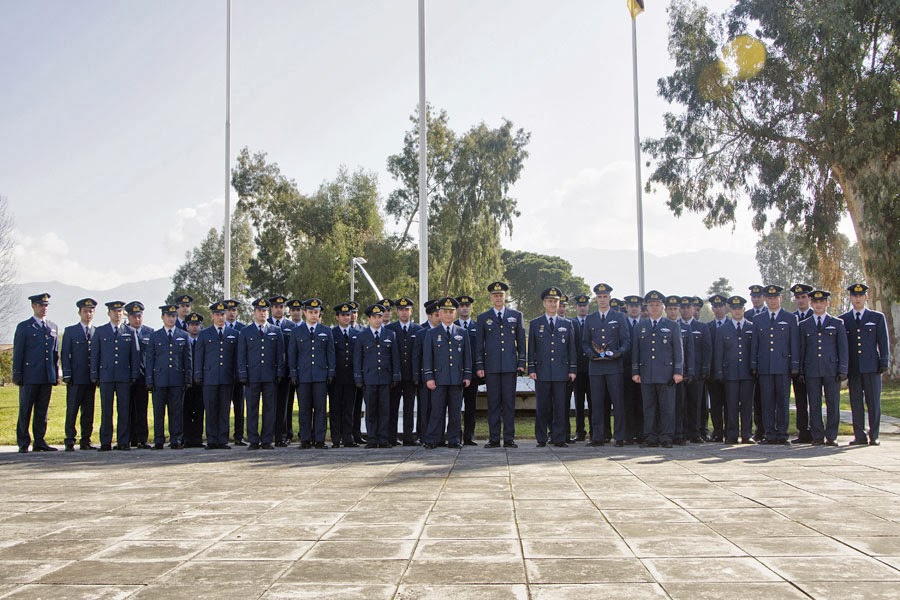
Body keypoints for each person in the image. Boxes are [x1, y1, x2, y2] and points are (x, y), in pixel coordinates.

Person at [476, 281, 526, 448]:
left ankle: (509, 438)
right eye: (495, 295)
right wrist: (480, 366)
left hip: (510, 366)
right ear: (491, 297)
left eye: (501, 295)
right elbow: (479, 344)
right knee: (493, 403)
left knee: (509, 403)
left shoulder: (516, 315)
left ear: (505, 297)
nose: (498, 298)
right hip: (491, 368)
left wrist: (521, 362)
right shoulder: (483, 318)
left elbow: (521, 341)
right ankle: (494, 439)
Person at [631, 290, 684, 448]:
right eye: (651, 305)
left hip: (666, 375)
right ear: (646, 307)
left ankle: (666, 437)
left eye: (657, 305)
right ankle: (650, 437)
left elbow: (678, 351)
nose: (654, 308)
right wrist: (635, 371)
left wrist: (678, 371)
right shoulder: (641, 327)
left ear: (663, 307)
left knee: (667, 408)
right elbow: (636, 351)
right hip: (647, 374)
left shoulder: (672, 326)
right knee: (649, 408)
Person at [840, 283, 891, 446]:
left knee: (873, 402)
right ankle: (859, 435)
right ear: (851, 298)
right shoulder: (844, 319)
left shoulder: (877, 317)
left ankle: (874, 435)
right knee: (856, 403)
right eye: (854, 296)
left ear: (866, 297)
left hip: (872, 367)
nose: (857, 299)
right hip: (854, 368)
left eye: (860, 296)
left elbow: (883, 341)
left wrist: (884, 361)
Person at [750, 285, 800, 445]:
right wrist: (754, 364)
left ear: (781, 299)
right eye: (769, 298)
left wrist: (794, 365)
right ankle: (769, 433)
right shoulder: (758, 319)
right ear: (765, 299)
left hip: (783, 366)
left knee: (783, 401)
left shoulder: (790, 318)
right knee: (767, 401)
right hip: (765, 366)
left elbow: (794, 343)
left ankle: (782, 433)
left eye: (775, 298)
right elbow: (755, 344)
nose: (772, 301)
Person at [582, 283, 630, 447]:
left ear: (609, 298)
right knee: (596, 403)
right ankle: (598, 436)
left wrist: (619, 352)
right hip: (595, 367)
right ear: (596, 299)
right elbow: (585, 343)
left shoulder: (619, 317)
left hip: (614, 366)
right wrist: (591, 354)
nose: (602, 300)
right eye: (599, 297)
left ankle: (619, 436)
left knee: (617, 402)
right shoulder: (590, 318)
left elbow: (626, 341)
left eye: (605, 297)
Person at [528, 287, 577, 448]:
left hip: (561, 371)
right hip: (542, 372)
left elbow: (571, 349)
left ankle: (559, 438)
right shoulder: (536, 323)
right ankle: (541, 438)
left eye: (555, 301)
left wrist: (572, 369)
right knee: (543, 406)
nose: (552, 304)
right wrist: (532, 369)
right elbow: (532, 349)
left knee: (561, 406)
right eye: (549, 301)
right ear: (544, 303)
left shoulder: (567, 323)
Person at [422, 297, 473, 449]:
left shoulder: (462, 332)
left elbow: (467, 356)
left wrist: (467, 375)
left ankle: (454, 439)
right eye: (445, 312)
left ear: (455, 313)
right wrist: (429, 377)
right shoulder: (432, 333)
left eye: (451, 312)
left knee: (455, 411)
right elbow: (427, 357)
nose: (448, 315)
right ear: (440, 313)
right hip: (438, 379)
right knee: (437, 411)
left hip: (456, 379)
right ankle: (433, 440)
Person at [799, 290, 848, 447]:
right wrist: (800, 370)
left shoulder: (837, 323)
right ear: (811, 304)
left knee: (833, 403)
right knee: (814, 404)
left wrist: (843, 369)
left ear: (827, 303)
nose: (819, 305)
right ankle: (817, 436)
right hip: (812, 369)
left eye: (822, 302)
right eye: (816, 302)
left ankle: (832, 436)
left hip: (831, 369)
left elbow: (843, 348)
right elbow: (802, 349)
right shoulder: (804, 325)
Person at [237, 298, 286, 450]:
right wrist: (243, 374)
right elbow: (241, 355)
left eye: (265, 310)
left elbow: (280, 354)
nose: (262, 313)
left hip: (269, 376)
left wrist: (279, 372)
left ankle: (266, 440)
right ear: (254, 312)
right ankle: (253, 439)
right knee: (252, 408)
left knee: (269, 409)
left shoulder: (275, 331)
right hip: (252, 376)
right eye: (260, 310)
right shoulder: (246, 331)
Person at [91, 300, 140, 451]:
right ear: (109, 313)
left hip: (123, 376)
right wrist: (95, 374)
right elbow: (95, 354)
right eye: (114, 311)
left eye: (120, 312)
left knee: (123, 409)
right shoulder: (100, 331)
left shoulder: (129, 331)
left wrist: (133, 374)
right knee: (106, 410)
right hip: (106, 376)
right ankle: (105, 441)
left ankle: (123, 441)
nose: (117, 314)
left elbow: (135, 355)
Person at [13, 293, 59, 453]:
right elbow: (18, 352)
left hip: (46, 375)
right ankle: (23, 441)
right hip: (30, 375)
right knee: (25, 409)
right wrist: (17, 374)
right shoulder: (25, 327)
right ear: (33, 306)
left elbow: (54, 353)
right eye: (41, 305)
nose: (44, 308)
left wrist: (54, 374)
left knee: (42, 410)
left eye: (46, 305)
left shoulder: (52, 327)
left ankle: (39, 440)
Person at [289, 298, 336, 449]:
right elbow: (292, 354)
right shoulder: (296, 332)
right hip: (303, 376)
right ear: (304, 313)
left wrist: (330, 372)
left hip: (320, 376)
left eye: (316, 312)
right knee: (304, 408)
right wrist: (293, 373)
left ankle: (320, 439)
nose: (313, 315)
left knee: (321, 409)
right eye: (310, 312)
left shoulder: (326, 331)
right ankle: (305, 439)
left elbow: (331, 354)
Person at [353, 303, 401, 448]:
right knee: (371, 410)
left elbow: (395, 358)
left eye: (380, 316)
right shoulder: (362, 336)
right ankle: (372, 438)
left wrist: (395, 376)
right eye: (374, 317)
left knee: (385, 410)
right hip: (369, 379)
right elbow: (358, 359)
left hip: (385, 378)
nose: (377, 320)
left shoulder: (390, 334)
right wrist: (358, 377)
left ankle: (383, 438)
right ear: (369, 319)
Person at [145, 304, 192, 449]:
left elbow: (187, 359)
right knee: (159, 411)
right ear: (162, 317)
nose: (171, 319)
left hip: (177, 379)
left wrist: (188, 379)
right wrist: (149, 379)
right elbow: (150, 359)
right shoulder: (155, 336)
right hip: (159, 379)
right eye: (168, 316)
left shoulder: (183, 335)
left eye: (173, 316)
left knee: (176, 411)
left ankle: (176, 439)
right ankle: (159, 439)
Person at [194, 301, 238, 449]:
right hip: (210, 378)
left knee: (224, 409)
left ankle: (223, 439)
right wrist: (198, 375)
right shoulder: (204, 334)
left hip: (226, 377)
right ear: (212, 316)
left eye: (223, 314)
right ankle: (212, 440)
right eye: (218, 314)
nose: (221, 317)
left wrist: (236, 375)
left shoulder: (234, 334)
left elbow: (236, 357)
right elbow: (199, 356)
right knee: (211, 409)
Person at [713, 296, 756, 444]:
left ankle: (746, 434)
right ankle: (731, 434)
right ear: (730, 310)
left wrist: (754, 368)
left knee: (746, 405)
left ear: (744, 309)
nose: (737, 311)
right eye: (734, 309)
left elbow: (754, 350)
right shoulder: (723, 329)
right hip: (730, 373)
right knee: (730, 405)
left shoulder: (751, 327)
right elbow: (718, 352)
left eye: (740, 309)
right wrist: (719, 371)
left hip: (747, 373)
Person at [386, 297, 423, 446]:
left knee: (409, 407)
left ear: (411, 311)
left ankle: (408, 437)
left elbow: (418, 354)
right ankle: (392, 437)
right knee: (393, 407)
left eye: (406, 309)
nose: (404, 312)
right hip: (395, 375)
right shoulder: (390, 330)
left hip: (410, 376)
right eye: (401, 310)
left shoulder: (418, 330)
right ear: (397, 311)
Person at [61, 298, 97, 451]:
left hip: (91, 378)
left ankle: (86, 439)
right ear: (79, 312)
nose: (88, 314)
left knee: (88, 411)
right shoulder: (71, 331)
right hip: (76, 378)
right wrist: (67, 374)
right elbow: (65, 354)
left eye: (91, 311)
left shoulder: (97, 331)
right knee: (72, 410)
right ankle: (70, 439)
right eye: (85, 311)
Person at [679, 295, 710, 444]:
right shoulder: (675, 326)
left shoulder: (702, 327)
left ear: (693, 309)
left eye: (688, 307)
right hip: (680, 373)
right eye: (683, 307)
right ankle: (682, 431)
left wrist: (705, 369)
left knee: (696, 404)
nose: (685, 310)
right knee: (681, 404)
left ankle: (696, 432)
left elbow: (706, 350)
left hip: (697, 373)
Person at [330, 303, 361, 447]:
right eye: (343, 315)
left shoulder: (356, 334)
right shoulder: (332, 333)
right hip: (336, 377)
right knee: (335, 408)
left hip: (351, 377)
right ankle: (336, 438)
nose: (346, 317)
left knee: (350, 408)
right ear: (337, 317)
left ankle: (348, 437)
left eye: (348, 315)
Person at [125, 301, 153, 449]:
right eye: (134, 316)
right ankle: (128, 438)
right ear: (128, 317)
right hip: (126, 377)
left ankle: (142, 439)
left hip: (143, 377)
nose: (137, 319)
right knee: (126, 409)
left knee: (142, 409)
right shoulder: (123, 332)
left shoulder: (150, 333)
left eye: (139, 316)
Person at [453, 294, 480, 446]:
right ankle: (456, 436)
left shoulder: (477, 327)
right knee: (456, 407)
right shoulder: (453, 326)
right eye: (461, 306)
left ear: (471, 308)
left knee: (471, 407)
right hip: (456, 373)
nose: (464, 308)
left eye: (467, 306)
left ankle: (469, 437)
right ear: (457, 308)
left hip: (473, 374)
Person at [268, 295, 295, 446]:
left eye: (281, 307)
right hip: (269, 371)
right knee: (268, 405)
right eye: (276, 307)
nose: (279, 309)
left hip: (285, 372)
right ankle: (268, 433)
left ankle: (282, 435)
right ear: (271, 308)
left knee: (284, 405)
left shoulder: (291, 326)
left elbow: (293, 351)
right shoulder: (267, 324)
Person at [790, 283, 815, 444]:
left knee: (814, 400)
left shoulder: (818, 314)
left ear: (809, 298)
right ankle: (803, 431)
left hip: (814, 366)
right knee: (800, 401)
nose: (800, 300)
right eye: (798, 297)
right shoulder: (791, 318)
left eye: (803, 297)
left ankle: (816, 430)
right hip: (797, 367)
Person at [705, 295, 730, 442]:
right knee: (715, 405)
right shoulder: (708, 327)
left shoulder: (731, 325)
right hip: (713, 373)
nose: (718, 309)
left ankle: (729, 431)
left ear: (725, 308)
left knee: (729, 403)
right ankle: (718, 432)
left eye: (721, 306)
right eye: (715, 306)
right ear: (712, 309)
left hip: (729, 372)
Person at [223, 299, 247, 445]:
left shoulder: (242, 329)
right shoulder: (219, 328)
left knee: (240, 408)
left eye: (234, 310)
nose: (231, 313)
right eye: (228, 310)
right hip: (225, 374)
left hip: (239, 375)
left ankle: (239, 436)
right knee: (224, 407)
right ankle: (223, 435)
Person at [621, 295, 644, 443]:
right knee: (627, 403)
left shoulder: (647, 324)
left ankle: (642, 433)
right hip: (625, 370)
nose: (634, 308)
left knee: (643, 403)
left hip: (644, 371)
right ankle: (628, 434)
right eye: (631, 306)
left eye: (636, 306)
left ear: (641, 308)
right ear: (627, 308)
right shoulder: (621, 324)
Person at [570, 293, 592, 442]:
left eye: (584, 305)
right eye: (580, 306)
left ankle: (594, 430)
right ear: (576, 307)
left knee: (593, 401)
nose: (582, 308)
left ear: (588, 307)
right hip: (577, 369)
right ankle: (580, 431)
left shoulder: (593, 321)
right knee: (578, 402)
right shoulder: (571, 323)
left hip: (592, 368)